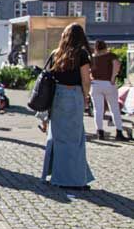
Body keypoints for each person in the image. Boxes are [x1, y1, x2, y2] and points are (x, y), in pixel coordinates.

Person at [41, 23, 94, 189]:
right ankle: (72, 179)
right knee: (74, 140)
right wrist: (85, 97)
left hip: (57, 96)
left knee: (58, 138)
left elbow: (48, 76)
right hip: (73, 95)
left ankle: (57, 175)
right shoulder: (82, 54)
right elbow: (86, 80)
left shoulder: (56, 54)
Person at [90, 40, 126, 141]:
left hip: (95, 84)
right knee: (114, 108)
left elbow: (89, 70)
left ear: (96, 47)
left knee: (98, 109)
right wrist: (113, 77)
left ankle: (100, 132)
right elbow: (116, 65)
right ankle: (119, 132)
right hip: (108, 83)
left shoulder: (92, 57)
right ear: (105, 46)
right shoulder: (111, 56)